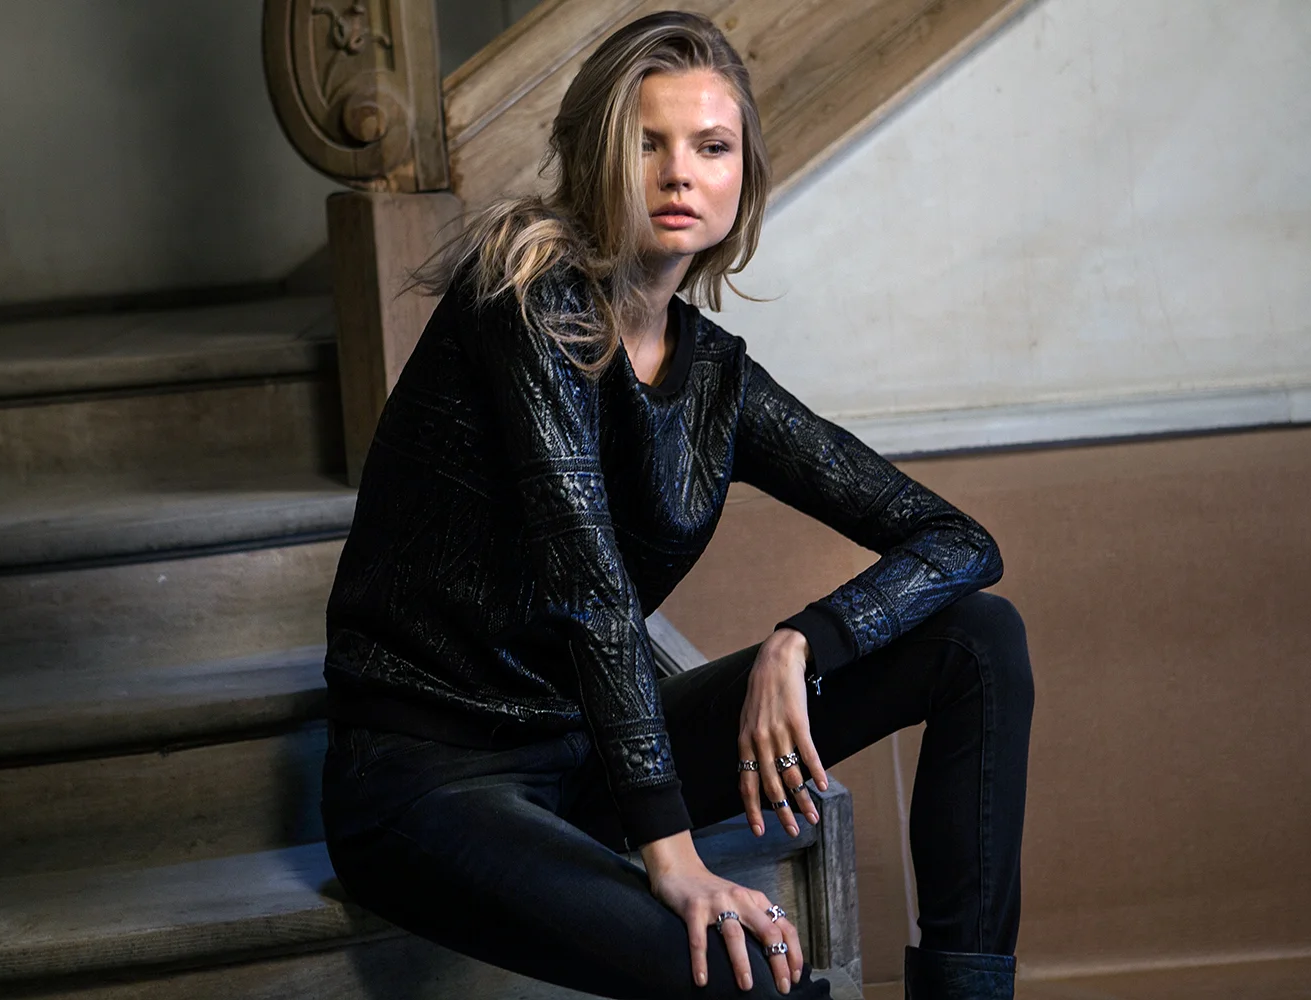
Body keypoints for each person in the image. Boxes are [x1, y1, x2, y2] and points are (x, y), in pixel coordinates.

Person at [319, 10, 1033, 999]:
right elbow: (590, 587)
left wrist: (808, 641)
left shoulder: (715, 382)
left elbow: (958, 539)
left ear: (744, 178)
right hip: (430, 779)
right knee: (750, 973)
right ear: (592, 159)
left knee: (977, 642)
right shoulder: (523, 295)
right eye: (645, 143)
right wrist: (674, 852)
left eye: (711, 146)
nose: (679, 173)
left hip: (588, 757)